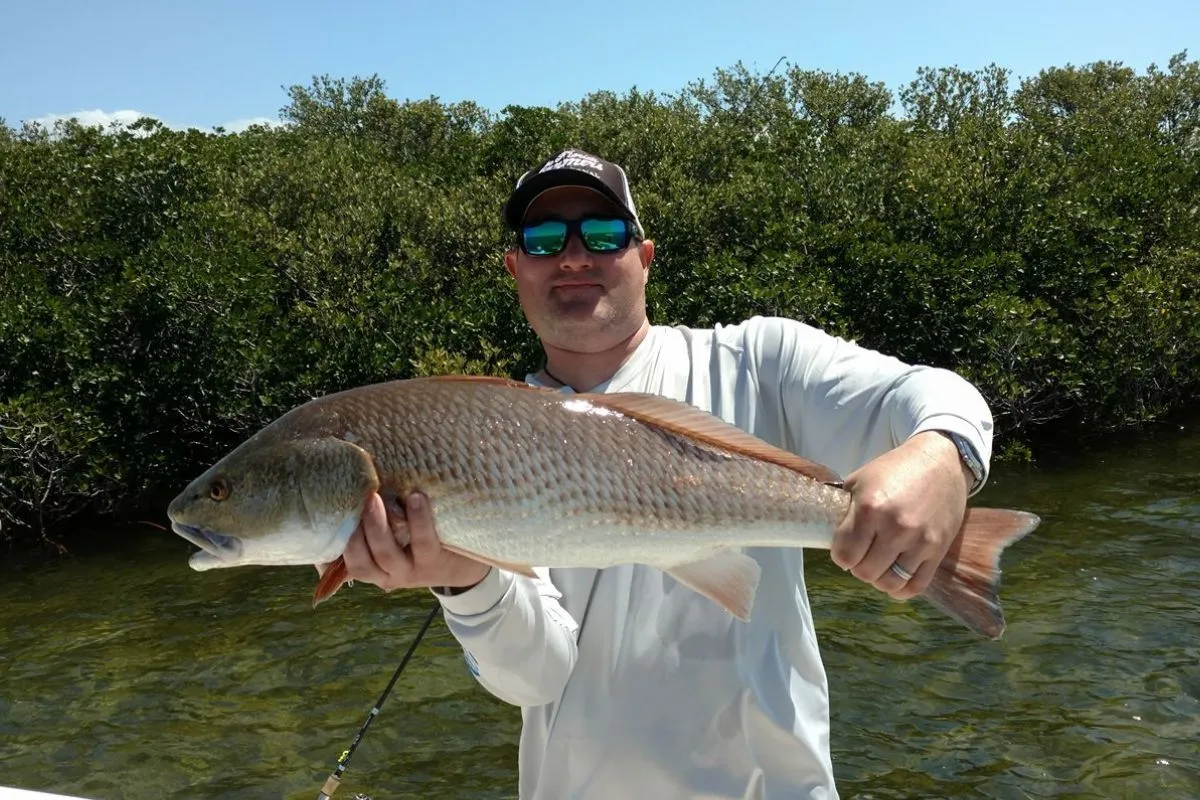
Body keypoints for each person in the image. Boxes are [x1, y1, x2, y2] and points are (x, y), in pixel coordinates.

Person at [336, 149, 992, 799]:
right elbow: (535, 679)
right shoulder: (479, 434)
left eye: (602, 234)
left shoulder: (760, 361)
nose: (572, 257)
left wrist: (940, 456)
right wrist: (464, 580)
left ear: (643, 258)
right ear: (515, 269)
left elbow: (932, 395)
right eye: (543, 240)